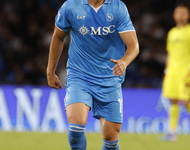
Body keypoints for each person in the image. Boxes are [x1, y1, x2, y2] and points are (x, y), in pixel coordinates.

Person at [46, 0, 139, 149]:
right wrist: (50, 71)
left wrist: (124, 62)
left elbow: (133, 46)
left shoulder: (117, 7)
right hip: (79, 76)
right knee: (76, 125)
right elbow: (58, 37)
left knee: (111, 139)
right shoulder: (71, 6)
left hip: (110, 79)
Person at [161, 4, 190, 141]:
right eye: (178, 12)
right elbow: (169, 53)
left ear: (188, 16)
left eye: (184, 13)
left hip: (186, 72)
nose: (181, 15)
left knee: (185, 101)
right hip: (172, 72)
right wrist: (166, 70)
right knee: (173, 101)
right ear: (174, 15)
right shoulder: (172, 32)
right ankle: (172, 133)